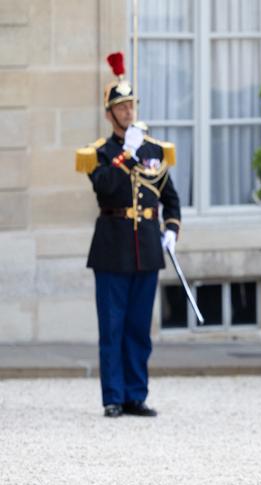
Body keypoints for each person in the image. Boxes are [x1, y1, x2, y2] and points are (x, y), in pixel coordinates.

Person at [74, 52, 180, 418]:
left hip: (146, 248)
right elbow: (104, 188)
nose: (128, 111)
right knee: (113, 327)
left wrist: (171, 230)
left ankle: (136, 394)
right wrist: (126, 155)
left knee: (138, 328)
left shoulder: (153, 150)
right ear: (109, 114)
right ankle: (113, 397)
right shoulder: (100, 153)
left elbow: (170, 198)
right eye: (121, 107)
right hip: (112, 249)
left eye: (131, 105)